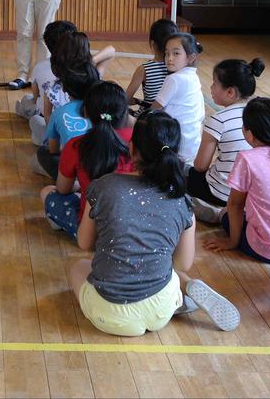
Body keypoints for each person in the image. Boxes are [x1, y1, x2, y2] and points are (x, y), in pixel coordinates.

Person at [69, 111, 240, 336]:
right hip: (160, 312)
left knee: (79, 267)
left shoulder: (103, 186)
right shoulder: (181, 200)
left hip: (110, 316)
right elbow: (183, 263)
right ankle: (181, 294)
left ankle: (172, 294)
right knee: (171, 272)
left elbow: (84, 243)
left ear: (131, 148)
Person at [203, 97, 270, 263]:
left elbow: (235, 204)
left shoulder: (247, 159)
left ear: (250, 134)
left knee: (226, 213)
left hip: (268, 250)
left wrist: (232, 241)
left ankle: (217, 215)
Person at [39, 81, 133, 237]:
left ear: (86, 113)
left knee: (47, 192)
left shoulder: (76, 145)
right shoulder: (138, 142)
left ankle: (60, 222)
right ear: (125, 113)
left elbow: (63, 189)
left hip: (90, 231)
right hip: (132, 229)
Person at [188, 58, 264, 223]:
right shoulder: (258, 115)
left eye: (215, 84)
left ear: (230, 92)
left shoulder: (218, 119)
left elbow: (200, 166)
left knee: (179, 172)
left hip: (219, 192)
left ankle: (211, 209)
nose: (211, 88)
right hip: (248, 196)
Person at [34, 62, 100, 180]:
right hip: (102, 167)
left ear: (64, 88)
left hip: (74, 171)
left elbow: (53, 149)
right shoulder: (102, 107)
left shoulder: (59, 113)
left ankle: (71, 181)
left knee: (43, 151)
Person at [151, 32, 205, 164]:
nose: (169, 58)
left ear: (191, 57)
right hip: (192, 147)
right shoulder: (193, 77)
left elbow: (154, 109)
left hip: (175, 145)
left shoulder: (174, 79)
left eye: (176, 53)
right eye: (167, 53)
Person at [125, 19, 178, 114]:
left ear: (152, 44)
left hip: (148, 120)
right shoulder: (179, 68)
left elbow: (126, 99)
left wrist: (139, 101)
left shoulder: (144, 69)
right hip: (171, 119)